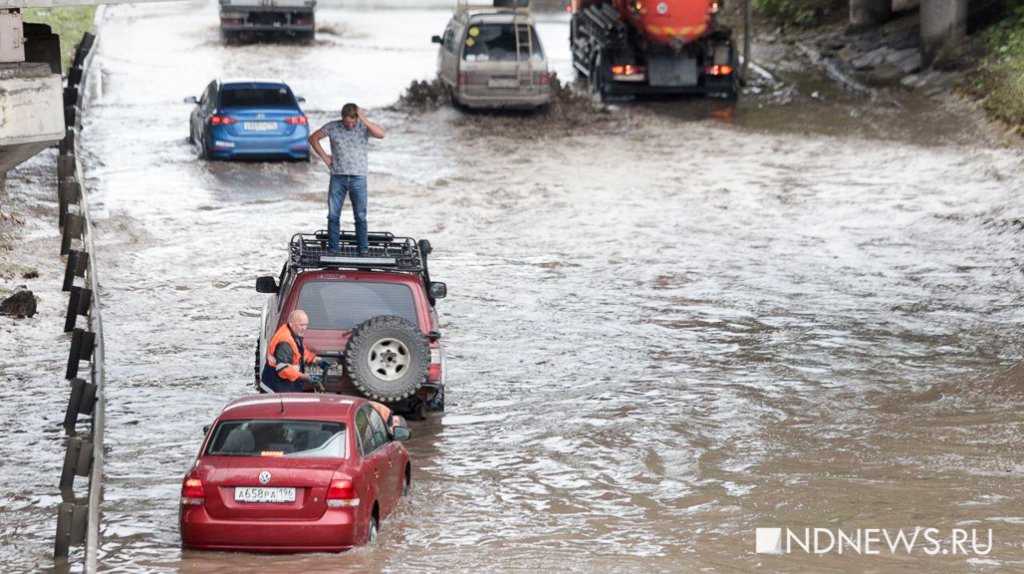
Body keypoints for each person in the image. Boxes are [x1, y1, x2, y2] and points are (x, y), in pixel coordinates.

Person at [308, 104, 385, 256]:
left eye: (353, 122)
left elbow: (381, 134)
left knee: (361, 216)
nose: (350, 125)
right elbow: (313, 139)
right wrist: (325, 158)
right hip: (338, 177)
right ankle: (333, 250)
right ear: (342, 118)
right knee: (333, 215)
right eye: (347, 122)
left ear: (357, 118)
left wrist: (364, 119)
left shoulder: (362, 126)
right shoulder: (333, 127)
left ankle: (363, 250)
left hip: (359, 177)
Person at [259, 309, 331, 393]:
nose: (304, 328)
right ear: (291, 323)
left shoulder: (293, 333)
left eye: (306, 325)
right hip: (275, 390)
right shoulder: (284, 341)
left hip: (283, 386)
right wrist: (305, 377)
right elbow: (283, 370)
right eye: (301, 325)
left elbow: (299, 353)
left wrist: (316, 360)